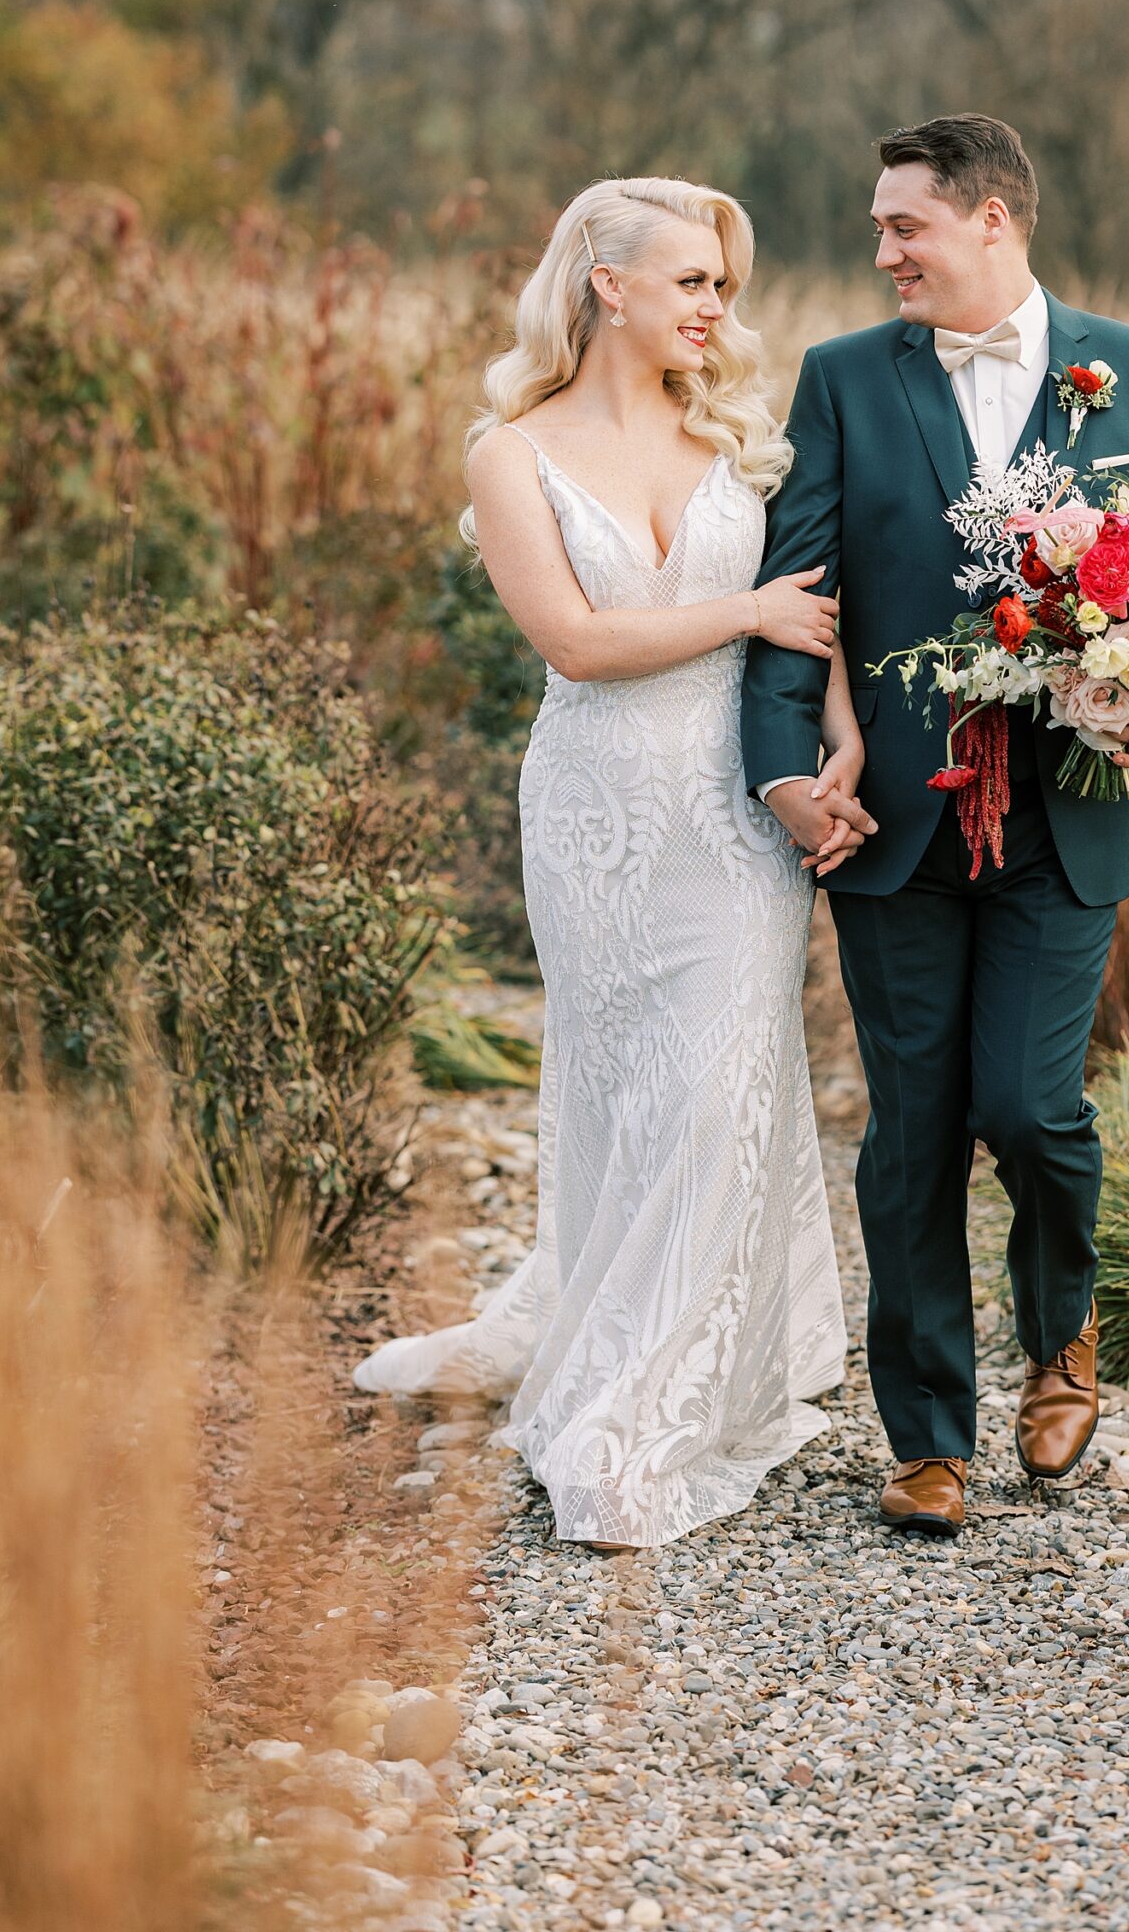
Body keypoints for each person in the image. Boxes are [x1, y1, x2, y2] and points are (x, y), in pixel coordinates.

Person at [355, 177, 868, 1552]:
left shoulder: (739, 440)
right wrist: (746, 605)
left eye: (723, 287)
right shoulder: (510, 457)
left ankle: (643, 1404)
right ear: (606, 284)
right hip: (595, 812)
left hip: (731, 807)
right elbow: (574, 643)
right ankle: (592, 1323)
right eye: (693, 281)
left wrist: (838, 756)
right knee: (622, 1089)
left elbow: (810, 623)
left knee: (715, 1094)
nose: (717, 308)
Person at [742, 114, 1129, 1539]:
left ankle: (1062, 1334)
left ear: (992, 220)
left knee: (1032, 1106)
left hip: (1069, 818)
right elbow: (797, 590)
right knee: (914, 1132)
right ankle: (927, 1436)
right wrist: (784, 775)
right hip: (890, 823)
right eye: (882, 228)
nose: (883, 251)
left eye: (906, 226)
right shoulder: (839, 381)